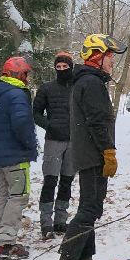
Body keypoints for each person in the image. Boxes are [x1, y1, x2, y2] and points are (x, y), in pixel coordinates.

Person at [52, 33, 122, 260]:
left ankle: (84, 258)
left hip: (90, 153)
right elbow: (96, 122)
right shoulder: (91, 83)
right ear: (96, 56)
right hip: (93, 154)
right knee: (89, 208)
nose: (112, 61)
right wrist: (108, 151)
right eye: (109, 56)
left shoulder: (89, 81)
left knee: (92, 207)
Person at [0, 55, 37, 260]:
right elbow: (22, 124)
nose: (27, 78)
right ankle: (6, 244)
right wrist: (30, 144)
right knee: (18, 196)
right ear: (17, 74)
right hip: (16, 156)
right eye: (25, 74)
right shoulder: (16, 94)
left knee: (3, 195)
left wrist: (0, 144)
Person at [32, 50, 78, 239]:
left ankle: (61, 220)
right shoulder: (47, 88)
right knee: (50, 181)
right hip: (53, 141)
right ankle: (46, 223)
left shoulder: (78, 87)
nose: (61, 69)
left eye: (65, 66)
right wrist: (49, 125)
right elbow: (36, 113)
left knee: (67, 181)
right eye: (58, 66)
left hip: (73, 141)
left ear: (71, 67)